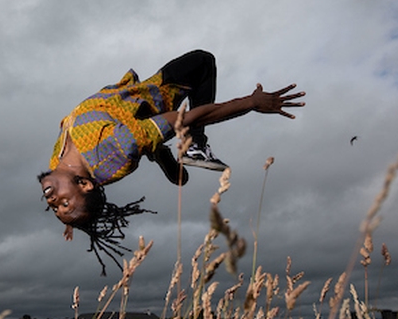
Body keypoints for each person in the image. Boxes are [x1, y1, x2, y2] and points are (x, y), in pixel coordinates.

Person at [38, 50, 305, 274]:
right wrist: (250, 102)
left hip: (132, 102)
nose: (53, 202)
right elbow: (191, 117)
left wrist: (73, 220)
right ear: (84, 184)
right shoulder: (116, 147)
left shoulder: (57, 162)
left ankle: (158, 152)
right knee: (202, 61)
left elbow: (73, 198)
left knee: (146, 140)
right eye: (64, 203)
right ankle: (195, 147)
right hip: (159, 97)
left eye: (55, 208)